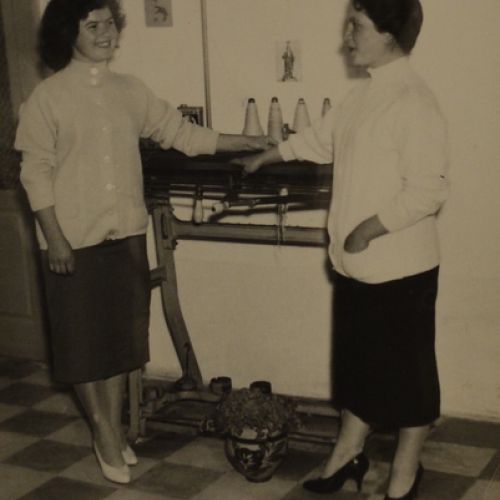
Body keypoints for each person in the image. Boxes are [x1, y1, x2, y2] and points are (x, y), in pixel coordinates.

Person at [15, 0, 274, 485]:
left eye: (110, 22)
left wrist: (242, 141)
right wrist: (55, 238)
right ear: (68, 33)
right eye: (92, 25)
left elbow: (180, 134)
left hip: (125, 233)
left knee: (119, 343)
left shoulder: (130, 90)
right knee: (81, 346)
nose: (106, 32)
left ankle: (111, 430)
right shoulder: (47, 99)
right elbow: (35, 174)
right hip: (72, 239)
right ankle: (103, 432)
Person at [234, 1, 449, 498]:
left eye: (357, 26)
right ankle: (347, 454)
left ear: (389, 34)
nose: (346, 36)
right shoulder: (363, 95)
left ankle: (405, 472)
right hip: (356, 269)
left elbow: (429, 190)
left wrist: (368, 230)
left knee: (410, 378)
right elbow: (321, 139)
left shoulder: (415, 101)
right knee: (357, 369)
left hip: (401, 269)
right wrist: (269, 155)